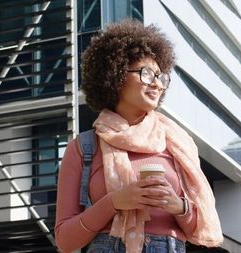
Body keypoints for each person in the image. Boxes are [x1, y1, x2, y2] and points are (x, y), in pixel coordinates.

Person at [54, 19, 223, 253]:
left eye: (161, 77)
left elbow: (203, 233)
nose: (157, 84)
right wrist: (113, 202)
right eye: (146, 73)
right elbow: (65, 240)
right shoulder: (83, 147)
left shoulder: (176, 143)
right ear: (116, 74)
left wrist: (177, 206)